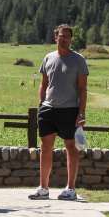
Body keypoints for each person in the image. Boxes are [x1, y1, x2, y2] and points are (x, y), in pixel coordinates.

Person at [28, 24, 88, 201]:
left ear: (71, 39)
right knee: (45, 147)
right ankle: (43, 188)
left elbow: (83, 89)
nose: (64, 39)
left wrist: (82, 113)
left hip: (70, 110)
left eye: (67, 37)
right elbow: (44, 83)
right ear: (56, 37)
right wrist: (41, 103)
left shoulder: (79, 60)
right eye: (61, 36)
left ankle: (70, 189)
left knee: (71, 148)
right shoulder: (48, 58)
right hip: (48, 108)